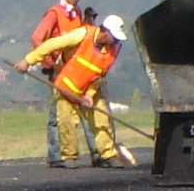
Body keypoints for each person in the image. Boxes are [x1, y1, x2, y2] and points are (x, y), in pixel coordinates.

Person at [20, 14, 130, 167]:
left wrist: (90, 95)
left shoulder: (113, 50)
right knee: (67, 122)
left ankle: (107, 154)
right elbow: (52, 44)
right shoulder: (83, 34)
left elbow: (100, 74)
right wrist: (28, 60)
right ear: (104, 31)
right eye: (115, 38)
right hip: (66, 85)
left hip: (88, 88)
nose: (116, 42)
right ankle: (69, 156)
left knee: (101, 118)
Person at [30, 0, 91, 165]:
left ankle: (79, 151)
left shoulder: (77, 12)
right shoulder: (54, 13)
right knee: (57, 111)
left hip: (74, 68)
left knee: (79, 108)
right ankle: (56, 154)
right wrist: (48, 62)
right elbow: (37, 38)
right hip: (58, 68)